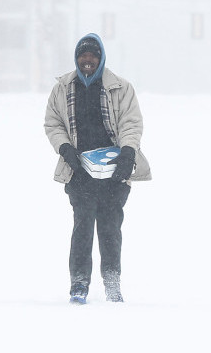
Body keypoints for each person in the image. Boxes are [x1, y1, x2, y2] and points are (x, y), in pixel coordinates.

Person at [43, 33, 151, 304]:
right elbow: (53, 123)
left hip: (115, 172)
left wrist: (128, 152)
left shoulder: (121, 88)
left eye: (92, 55)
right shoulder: (63, 89)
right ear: (77, 58)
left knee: (110, 227)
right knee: (82, 226)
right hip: (79, 171)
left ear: (101, 57)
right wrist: (65, 149)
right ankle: (79, 282)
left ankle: (112, 281)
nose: (87, 60)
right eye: (83, 55)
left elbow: (131, 122)